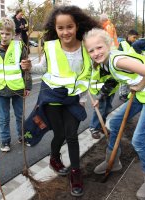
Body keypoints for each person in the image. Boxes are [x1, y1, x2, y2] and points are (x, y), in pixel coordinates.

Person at [83, 28, 145, 200]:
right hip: (140, 94)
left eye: (99, 48)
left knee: (138, 139)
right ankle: (113, 162)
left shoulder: (118, 60)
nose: (95, 53)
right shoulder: (108, 62)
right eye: (91, 50)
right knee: (114, 123)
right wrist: (101, 97)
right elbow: (114, 79)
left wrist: (140, 86)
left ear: (108, 45)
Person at [27, 6, 100, 197]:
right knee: (59, 135)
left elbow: (91, 75)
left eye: (69, 27)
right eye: (61, 28)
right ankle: (54, 158)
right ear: (55, 29)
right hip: (52, 98)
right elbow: (42, 69)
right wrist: (28, 67)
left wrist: (89, 98)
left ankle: (75, 173)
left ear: (77, 26)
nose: (65, 32)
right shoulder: (50, 46)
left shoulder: (86, 47)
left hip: (75, 101)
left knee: (72, 135)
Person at [0, 17, 32, 152]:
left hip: (17, 88)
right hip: (0, 89)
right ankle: (5, 141)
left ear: (13, 34)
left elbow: (26, 69)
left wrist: (27, 86)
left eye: (7, 34)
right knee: (4, 118)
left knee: (20, 116)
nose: (4, 36)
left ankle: (22, 136)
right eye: (2, 33)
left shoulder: (19, 46)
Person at [88, 13, 119, 139]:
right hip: (100, 87)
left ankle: (101, 125)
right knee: (101, 108)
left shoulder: (107, 30)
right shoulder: (97, 53)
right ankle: (94, 127)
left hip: (110, 87)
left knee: (107, 108)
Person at [118, 29, 139, 101]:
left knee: (129, 80)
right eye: (134, 37)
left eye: (136, 38)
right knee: (123, 81)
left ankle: (127, 94)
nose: (135, 39)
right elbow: (119, 54)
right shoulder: (123, 43)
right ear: (129, 36)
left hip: (131, 65)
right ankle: (122, 95)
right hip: (124, 65)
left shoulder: (134, 44)